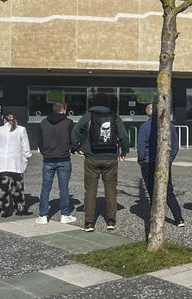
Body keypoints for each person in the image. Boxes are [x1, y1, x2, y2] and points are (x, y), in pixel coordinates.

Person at [71, 93, 129, 232]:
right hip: (110, 159)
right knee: (111, 188)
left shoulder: (88, 116)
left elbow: (75, 131)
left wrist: (77, 147)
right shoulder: (115, 117)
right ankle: (110, 221)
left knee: (90, 190)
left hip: (91, 158)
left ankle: (89, 223)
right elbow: (124, 136)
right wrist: (123, 152)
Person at [137, 103, 184, 228]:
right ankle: (178, 218)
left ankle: (156, 218)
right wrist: (170, 159)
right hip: (164, 162)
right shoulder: (169, 126)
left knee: (152, 191)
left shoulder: (144, 127)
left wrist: (141, 161)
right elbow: (175, 145)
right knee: (168, 190)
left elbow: (141, 148)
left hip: (148, 162)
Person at [36, 102, 76, 224]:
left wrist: (44, 152)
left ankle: (43, 215)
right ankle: (65, 214)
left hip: (48, 159)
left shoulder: (43, 123)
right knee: (63, 187)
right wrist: (71, 149)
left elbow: (39, 140)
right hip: (63, 158)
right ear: (63, 110)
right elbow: (73, 139)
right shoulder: (68, 123)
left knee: (45, 187)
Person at [0, 113, 32, 217]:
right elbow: (26, 147)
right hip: (16, 162)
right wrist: (27, 156)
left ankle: (4, 211)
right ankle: (20, 209)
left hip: (1, 163)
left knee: (3, 188)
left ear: (4, 120)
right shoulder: (21, 129)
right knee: (18, 187)